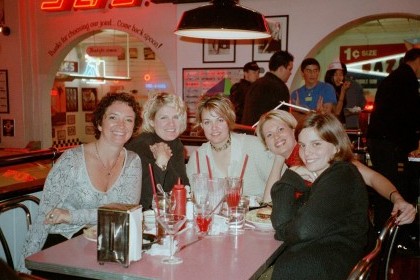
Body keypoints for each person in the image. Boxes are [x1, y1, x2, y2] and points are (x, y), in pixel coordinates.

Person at [18, 92, 142, 272]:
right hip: (63, 245)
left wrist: (71, 215)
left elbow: (122, 215)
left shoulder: (132, 162)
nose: (121, 125)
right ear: (100, 123)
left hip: (105, 247)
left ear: (134, 127)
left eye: (129, 120)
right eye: (113, 117)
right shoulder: (72, 161)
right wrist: (23, 271)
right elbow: (43, 218)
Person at [256, 109, 416, 225]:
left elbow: (371, 177)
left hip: (336, 241)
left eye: (280, 129)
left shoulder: (321, 154)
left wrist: (397, 198)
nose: (276, 136)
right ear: (265, 143)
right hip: (317, 231)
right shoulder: (290, 162)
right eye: (269, 135)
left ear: (294, 130)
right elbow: (267, 206)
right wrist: (278, 159)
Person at [270, 113, 369, 279]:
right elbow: (282, 221)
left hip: (320, 268)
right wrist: (291, 176)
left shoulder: (342, 175)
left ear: (337, 146)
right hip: (320, 263)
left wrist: (289, 177)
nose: (307, 152)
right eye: (302, 145)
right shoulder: (327, 177)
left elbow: (301, 230)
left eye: (316, 144)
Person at [367, 48, 420, 231]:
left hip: (378, 140)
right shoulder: (408, 79)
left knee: (384, 185)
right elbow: (411, 115)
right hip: (389, 142)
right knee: (393, 187)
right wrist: (412, 145)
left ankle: (382, 234)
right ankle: (390, 235)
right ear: (417, 60)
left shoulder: (392, 78)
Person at [186, 94, 274, 198]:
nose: (214, 127)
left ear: (229, 120)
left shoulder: (254, 146)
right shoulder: (196, 159)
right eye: (207, 122)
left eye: (220, 120)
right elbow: (196, 201)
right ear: (202, 126)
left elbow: (282, 183)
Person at [126, 92, 189, 210]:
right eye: (164, 117)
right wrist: (161, 163)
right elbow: (147, 199)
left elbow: (182, 185)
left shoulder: (176, 144)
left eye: (176, 117)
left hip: (171, 213)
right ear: (151, 121)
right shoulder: (139, 147)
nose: (171, 123)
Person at [241, 50, 294, 126]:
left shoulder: (256, 83)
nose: (290, 73)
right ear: (281, 68)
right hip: (265, 134)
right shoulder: (280, 87)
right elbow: (283, 118)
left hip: (248, 133)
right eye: (289, 69)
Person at [324, 60, 366, 127]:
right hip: (331, 126)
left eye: (341, 74)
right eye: (335, 74)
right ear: (330, 76)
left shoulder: (349, 87)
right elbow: (337, 111)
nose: (338, 77)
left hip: (344, 125)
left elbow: (362, 104)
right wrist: (343, 91)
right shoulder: (327, 89)